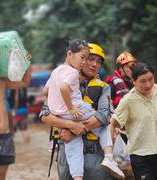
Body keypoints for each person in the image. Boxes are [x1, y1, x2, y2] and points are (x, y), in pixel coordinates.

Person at [43, 39, 124, 180]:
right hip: (67, 152)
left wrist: (73, 132)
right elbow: (45, 115)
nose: (94, 64)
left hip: (94, 154)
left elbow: (104, 116)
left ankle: (108, 159)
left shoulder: (103, 87)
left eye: (99, 62)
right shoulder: (61, 79)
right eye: (90, 59)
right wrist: (71, 125)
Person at [105, 51, 136, 143]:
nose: (130, 69)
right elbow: (107, 106)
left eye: (132, 66)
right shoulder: (112, 84)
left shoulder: (136, 82)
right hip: (119, 127)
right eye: (127, 66)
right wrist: (113, 125)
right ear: (120, 68)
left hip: (134, 125)